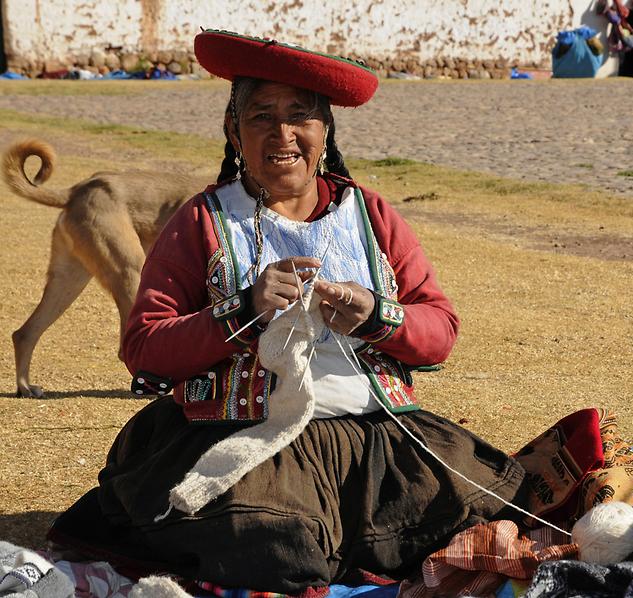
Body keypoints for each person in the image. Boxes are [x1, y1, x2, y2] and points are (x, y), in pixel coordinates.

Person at [48, 30, 526, 594]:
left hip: (376, 443)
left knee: (488, 509)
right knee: (272, 543)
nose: (283, 134)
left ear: (325, 131)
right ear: (233, 130)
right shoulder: (202, 221)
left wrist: (376, 314)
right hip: (245, 441)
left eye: (301, 116)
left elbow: (439, 331)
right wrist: (241, 310)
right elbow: (145, 346)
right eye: (261, 116)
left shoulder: (370, 215)